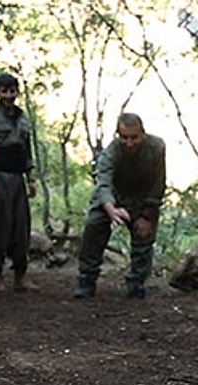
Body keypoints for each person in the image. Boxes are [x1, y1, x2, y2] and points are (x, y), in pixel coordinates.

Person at [73, 113, 166, 300]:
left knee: (144, 236)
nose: (129, 143)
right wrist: (111, 210)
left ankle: (136, 283)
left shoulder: (157, 148)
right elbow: (103, 185)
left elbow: (159, 182)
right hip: (113, 197)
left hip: (142, 198)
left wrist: (146, 215)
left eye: (134, 138)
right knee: (94, 224)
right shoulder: (110, 153)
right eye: (124, 138)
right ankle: (87, 278)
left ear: (143, 134)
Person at [0, 73, 40, 293]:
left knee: (21, 227)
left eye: (12, 91)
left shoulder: (23, 120)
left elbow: (27, 152)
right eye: (4, 91)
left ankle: (21, 275)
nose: (9, 95)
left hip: (17, 179)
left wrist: (30, 179)